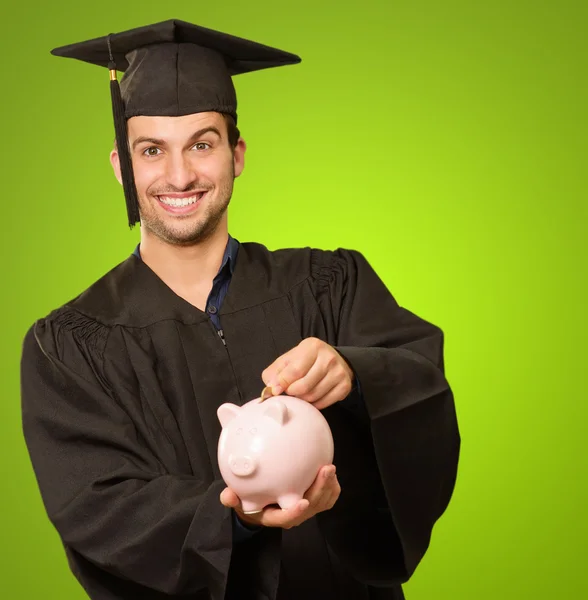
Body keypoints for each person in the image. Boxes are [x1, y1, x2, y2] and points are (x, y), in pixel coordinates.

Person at [20, 18, 460, 600]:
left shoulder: (330, 283)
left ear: (237, 154)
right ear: (122, 167)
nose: (179, 175)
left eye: (202, 144)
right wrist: (237, 514)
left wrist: (353, 375)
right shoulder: (70, 345)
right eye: (152, 150)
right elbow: (97, 507)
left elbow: (420, 385)